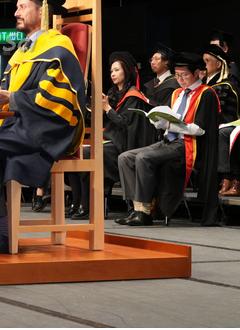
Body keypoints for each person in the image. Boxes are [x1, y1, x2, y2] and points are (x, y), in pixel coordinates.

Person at [0, 0, 86, 255]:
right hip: (22, 122)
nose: (16, 13)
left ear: (42, 11)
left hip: (48, 126)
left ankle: (2, 233)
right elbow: (11, 92)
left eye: (22, 7)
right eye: (17, 7)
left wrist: (11, 99)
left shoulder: (58, 47)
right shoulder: (24, 51)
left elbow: (55, 97)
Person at [116, 52, 220, 226]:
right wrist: (159, 122)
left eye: (184, 75)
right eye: (177, 75)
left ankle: (144, 212)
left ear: (197, 73)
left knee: (143, 158)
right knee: (125, 158)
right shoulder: (177, 93)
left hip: (187, 144)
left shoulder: (206, 93)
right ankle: (136, 208)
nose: (180, 79)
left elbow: (200, 129)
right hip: (167, 141)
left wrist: (170, 125)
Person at [69, 51, 157, 220]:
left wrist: (108, 109)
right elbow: (101, 121)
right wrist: (98, 108)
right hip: (110, 141)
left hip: (124, 145)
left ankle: (89, 205)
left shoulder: (134, 97)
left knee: (87, 154)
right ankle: (78, 202)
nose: (113, 74)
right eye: (111, 71)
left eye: (117, 70)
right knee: (76, 152)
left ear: (126, 71)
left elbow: (125, 125)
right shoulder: (113, 93)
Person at [199, 44, 240, 196]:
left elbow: (224, 114)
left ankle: (227, 177)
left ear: (218, 64)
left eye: (207, 61)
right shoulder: (204, 85)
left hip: (225, 125)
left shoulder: (225, 86)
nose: (203, 65)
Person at [142, 42, 180, 106]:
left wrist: (148, 101)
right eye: (151, 60)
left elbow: (168, 107)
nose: (152, 62)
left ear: (166, 63)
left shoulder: (173, 84)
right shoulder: (151, 84)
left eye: (156, 59)